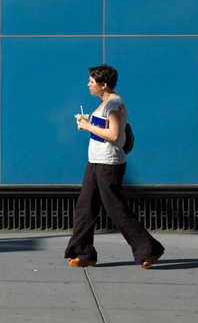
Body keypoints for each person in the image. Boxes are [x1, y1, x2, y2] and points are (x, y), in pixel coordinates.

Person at [64, 64, 164, 268]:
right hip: (95, 163)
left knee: (116, 209)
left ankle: (148, 250)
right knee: (85, 208)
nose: (88, 84)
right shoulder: (106, 102)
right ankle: (84, 254)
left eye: (92, 82)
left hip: (108, 164)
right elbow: (105, 127)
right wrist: (88, 120)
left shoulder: (114, 104)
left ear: (104, 84)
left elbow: (115, 135)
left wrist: (87, 126)